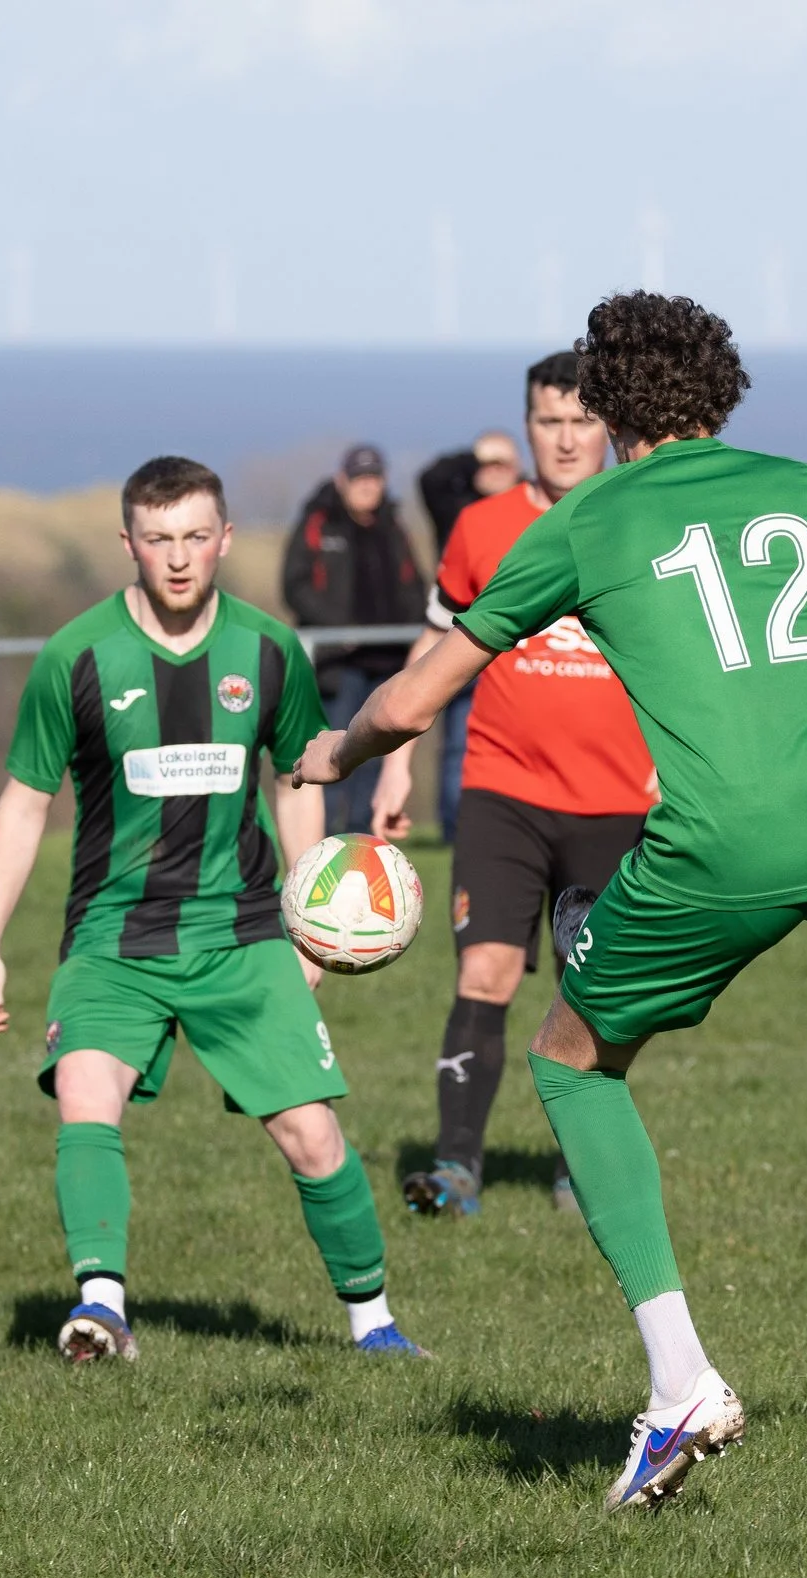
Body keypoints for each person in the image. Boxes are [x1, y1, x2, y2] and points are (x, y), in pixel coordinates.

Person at [294, 293, 807, 1510]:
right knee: (626, 962)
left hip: (725, 848)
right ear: (723, 392)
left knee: (570, 1059)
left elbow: (410, 702)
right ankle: (616, 944)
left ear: (606, 409)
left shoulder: (590, 520)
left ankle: (680, 1386)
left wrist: (335, 758)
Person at [0, 455, 424, 1363]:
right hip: (113, 936)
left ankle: (374, 1324)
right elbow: (25, 802)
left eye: (193, 538)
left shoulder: (267, 650)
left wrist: (312, 918)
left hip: (243, 932)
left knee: (312, 1134)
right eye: (157, 539)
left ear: (223, 540)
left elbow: (298, 777)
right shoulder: (76, 656)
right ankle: (101, 1308)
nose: (177, 558)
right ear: (128, 544)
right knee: (83, 1092)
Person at [373, 353, 645, 1220]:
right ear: (525, 427)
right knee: (484, 973)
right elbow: (433, 650)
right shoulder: (482, 527)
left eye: (581, 421)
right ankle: (456, 1169)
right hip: (501, 792)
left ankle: (581, 1168)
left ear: (609, 426)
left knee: (590, 993)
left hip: (616, 804)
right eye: (548, 421)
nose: (565, 439)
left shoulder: (643, 522)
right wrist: (394, 758)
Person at [281, 443, 428, 836]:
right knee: (330, 752)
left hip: (388, 664)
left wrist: (417, 632)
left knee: (375, 759)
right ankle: (324, 842)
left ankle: (365, 845)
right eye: (360, 478)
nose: (367, 487)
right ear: (342, 480)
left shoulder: (394, 526)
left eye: (374, 478)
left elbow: (415, 585)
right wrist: (338, 630)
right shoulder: (319, 521)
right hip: (339, 666)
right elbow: (294, 585)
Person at [416, 431, 523, 842]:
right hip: (459, 635)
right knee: (458, 742)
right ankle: (454, 827)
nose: (495, 472)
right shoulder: (456, 508)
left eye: (504, 465)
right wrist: (476, 456)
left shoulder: (534, 509)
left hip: (515, 644)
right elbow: (430, 479)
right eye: (488, 465)